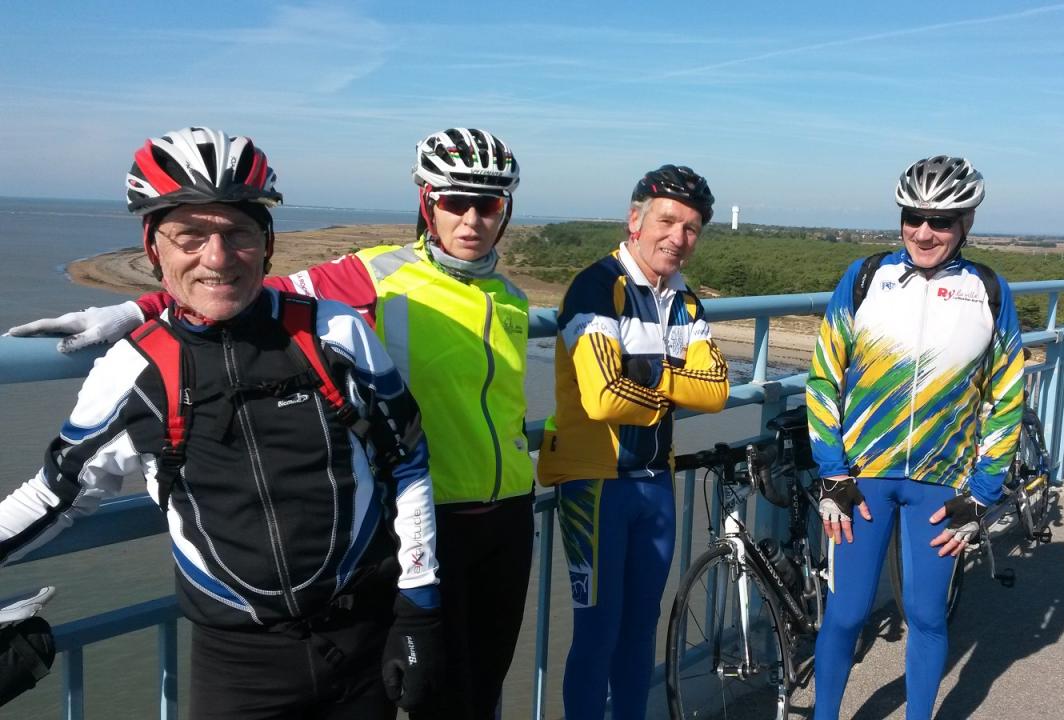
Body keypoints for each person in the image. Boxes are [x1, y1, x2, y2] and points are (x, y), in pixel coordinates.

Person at [10, 127, 533, 720]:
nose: (471, 220)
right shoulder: (372, 276)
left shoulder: (509, 295)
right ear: (427, 204)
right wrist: (133, 308)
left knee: (482, 689)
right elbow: (240, 285)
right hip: (419, 528)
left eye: (487, 205)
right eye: (454, 203)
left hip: (504, 513)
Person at [805, 155, 1024, 720]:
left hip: (941, 485)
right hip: (863, 478)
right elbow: (824, 375)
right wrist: (831, 471)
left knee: (927, 615)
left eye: (942, 221)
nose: (924, 232)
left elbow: (1006, 397)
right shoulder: (865, 278)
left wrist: (983, 493)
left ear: (966, 224)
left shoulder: (989, 292)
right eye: (913, 216)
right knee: (847, 612)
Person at [538, 164, 730, 720]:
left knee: (641, 629)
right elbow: (601, 398)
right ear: (635, 219)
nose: (678, 237)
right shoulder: (598, 286)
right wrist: (675, 386)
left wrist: (647, 380)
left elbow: (716, 393)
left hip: (654, 482)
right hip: (594, 483)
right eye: (667, 221)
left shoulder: (684, 300)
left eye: (692, 228)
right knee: (598, 632)